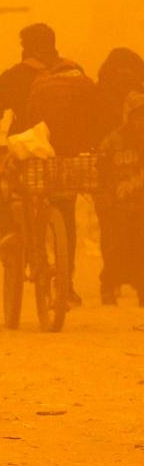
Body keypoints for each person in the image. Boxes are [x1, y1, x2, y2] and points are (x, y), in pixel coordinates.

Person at [0, 23, 97, 306]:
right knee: (65, 212)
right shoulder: (74, 72)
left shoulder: (14, 76)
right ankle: (68, 284)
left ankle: (10, 232)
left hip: (28, 154)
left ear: (24, 47)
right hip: (67, 157)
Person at [95, 49, 144, 303]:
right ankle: (109, 285)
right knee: (118, 245)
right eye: (137, 117)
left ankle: (136, 286)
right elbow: (101, 167)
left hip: (133, 203)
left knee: (132, 244)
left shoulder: (101, 90)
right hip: (117, 202)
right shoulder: (114, 140)